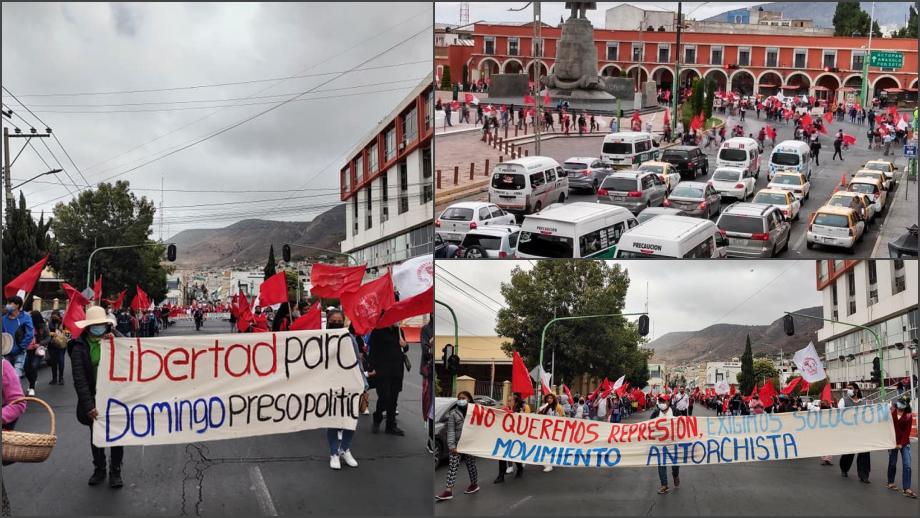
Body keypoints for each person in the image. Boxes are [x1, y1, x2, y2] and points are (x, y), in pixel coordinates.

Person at [69, 305, 124, 488]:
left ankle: (115, 470)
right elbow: (79, 379)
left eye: (101, 324)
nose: (98, 327)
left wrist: (116, 339)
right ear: (88, 326)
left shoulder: (114, 338)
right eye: (95, 324)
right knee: (97, 436)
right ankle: (99, 468)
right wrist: (88, 405)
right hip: (94, 398)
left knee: (116, 435)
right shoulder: (79, 346)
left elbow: (132, 352)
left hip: (115, 397)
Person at [325, 310, 365, 470]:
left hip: (349, 384)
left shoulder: (350, 338)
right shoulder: (321, 338)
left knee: (350, 420)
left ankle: (345, 449)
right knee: (333, 421)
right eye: (333, 320)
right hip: (330, 384)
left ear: (343, 322)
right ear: (328, 321)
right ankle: (333, 453)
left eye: (338, 320)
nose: (335, 323)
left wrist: (363, 382)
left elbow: (357, 361)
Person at [436, 391, 479, 501]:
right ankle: (448, 491)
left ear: (469, 399)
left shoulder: (475, 412)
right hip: (457, 445)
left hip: (469, 444)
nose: (461, 400)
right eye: (459, 398)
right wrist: (452, 446)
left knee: (471, 465)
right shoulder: (453, 414)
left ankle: (474, 484)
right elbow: (450, 431)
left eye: (463, 398)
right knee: (452, 467)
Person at [368, 321, 408, 436]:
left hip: (397, 370)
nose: (398, 321)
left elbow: (405, 349)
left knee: (393, 399)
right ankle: (377, 417)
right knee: (385, 396)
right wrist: (371, 367)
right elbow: (373, 351)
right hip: (382, 370)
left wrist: (404, 345)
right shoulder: (378, 331)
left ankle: (391, 425)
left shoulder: (399, 331)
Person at [838, 382, 871, 482]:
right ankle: (844, 469)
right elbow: (839, 413)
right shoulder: (843, 401)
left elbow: (869, 415)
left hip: (862, 431)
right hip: (849, 431)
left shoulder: (864, 402)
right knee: (849, 452)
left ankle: (864, 475)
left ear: (856, 390)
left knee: (864, 453)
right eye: (847, 388)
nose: (848, 390)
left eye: (850, 388)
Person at [887, 394, 916, 498]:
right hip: (892, 442)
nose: (900, 404)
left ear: (906, 405)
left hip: (904, 443)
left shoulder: (908, 415)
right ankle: (890, 482)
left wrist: (900, 444)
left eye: (903, 403)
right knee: (892, 462)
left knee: (907, 464)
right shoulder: (891, 410)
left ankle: (906, 488)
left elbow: (907, 432)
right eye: (899, 402)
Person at [650, 395, 679, 494]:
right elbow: (648, 426)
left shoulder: (675, 411)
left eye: (663, 401)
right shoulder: (656, 413)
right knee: (661, 463)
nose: (661, 403)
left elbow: (684, 424)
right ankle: (664, 485)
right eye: (660, 401)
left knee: (675, 463)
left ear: (668, 402)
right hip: (660, 443)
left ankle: (675, 475)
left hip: (674, 442)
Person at [495, 393, 527, 483]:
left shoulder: (520, 411)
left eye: (510, 400)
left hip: (516, 437)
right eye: (508, 400)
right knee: (502, 455)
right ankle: (501, 475)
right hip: (505, 436)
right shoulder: (504, 409)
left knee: (514, 454)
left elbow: (523, 422)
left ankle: (520, 469)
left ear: (515, 402)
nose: (508, 402)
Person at [2, 296, 33, 378]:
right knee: (6, 377)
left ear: (17, 305)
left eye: (9, 303)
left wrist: (21, 346)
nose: (7, 305)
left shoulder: (26, 317)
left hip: (20, 352)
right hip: (6, 353)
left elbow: (30, 334)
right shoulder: (3, 318)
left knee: (15, 377)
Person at [23, 311, 50, 396]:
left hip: (38, 350)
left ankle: (32, 387)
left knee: (34, 366)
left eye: (31, 316)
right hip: (28, 350)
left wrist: (40, 343)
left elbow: (48, 337)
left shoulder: (43, 326)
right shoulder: (27, 325)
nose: (29, 318)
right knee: (26, 368)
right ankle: (33, 381)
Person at [537, 393, 565, 472]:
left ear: (554, 399)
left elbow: (562, 418)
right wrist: (539, 411)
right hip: (545, 430)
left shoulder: (558, 407)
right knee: (545, 446)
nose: (549, 400)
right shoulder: (545, 407)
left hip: (554, 431)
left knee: (552, 447)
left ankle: (550, 464)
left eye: (550, 398)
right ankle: (547, 462)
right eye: (547, 398)